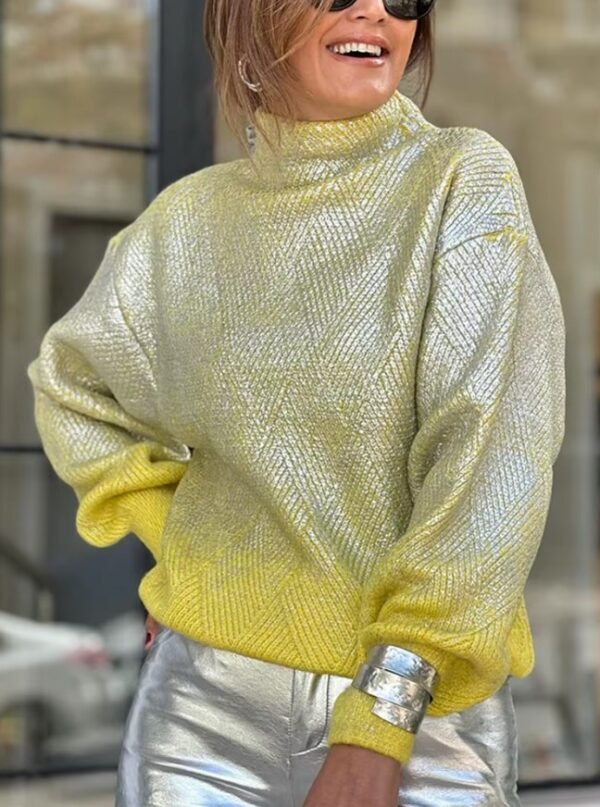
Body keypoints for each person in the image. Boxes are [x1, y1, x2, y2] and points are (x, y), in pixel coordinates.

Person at [27, 0, 566, 805]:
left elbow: (491, 467)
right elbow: (72, 386)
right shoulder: (184, 225)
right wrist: (186, 549)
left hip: (425, 728)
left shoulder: (461, 181)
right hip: (200, 717)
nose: (375, 12)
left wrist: (382, 720)